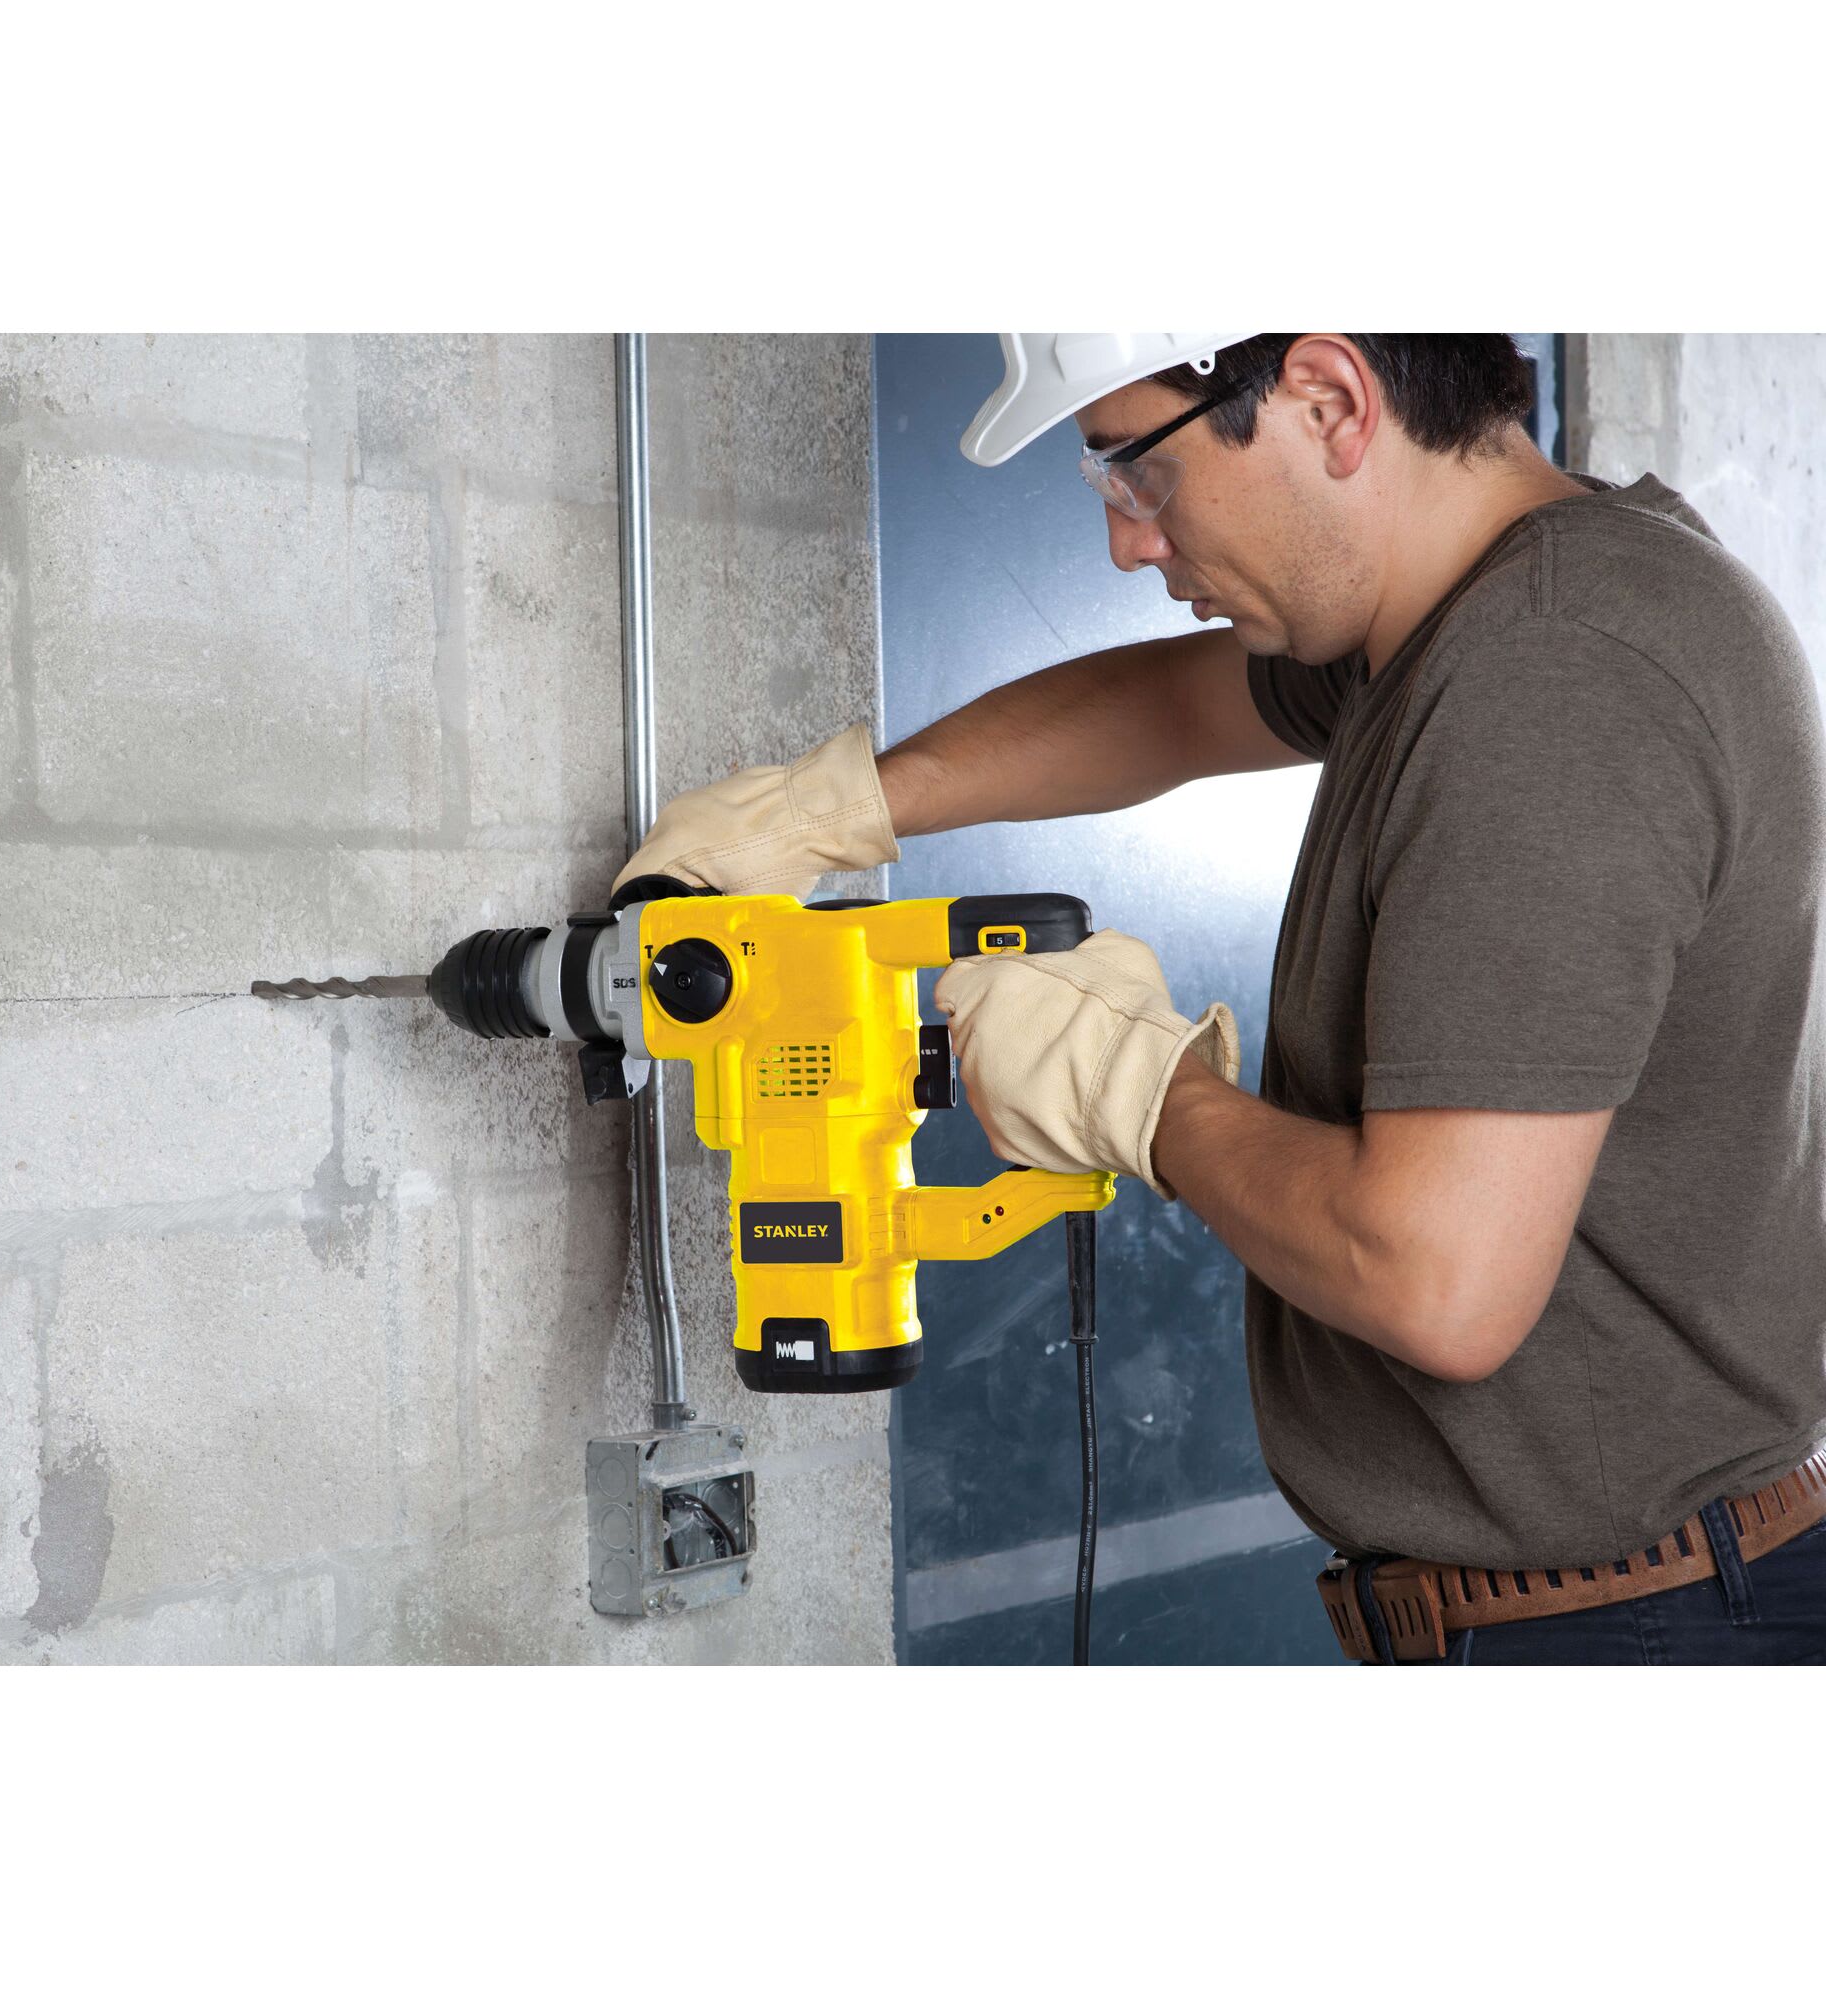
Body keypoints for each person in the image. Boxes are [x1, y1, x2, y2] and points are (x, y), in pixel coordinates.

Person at [616, 333, 1826, 1664]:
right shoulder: (1483, 611)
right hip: (1620, 1598)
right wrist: (831, 811)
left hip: (1634, 1628)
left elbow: (1438, 1282)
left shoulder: (1554, 675)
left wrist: (1143, 1094)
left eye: (1140, 472)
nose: (1129, 544)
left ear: (1328, 400)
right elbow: (1172, 713)